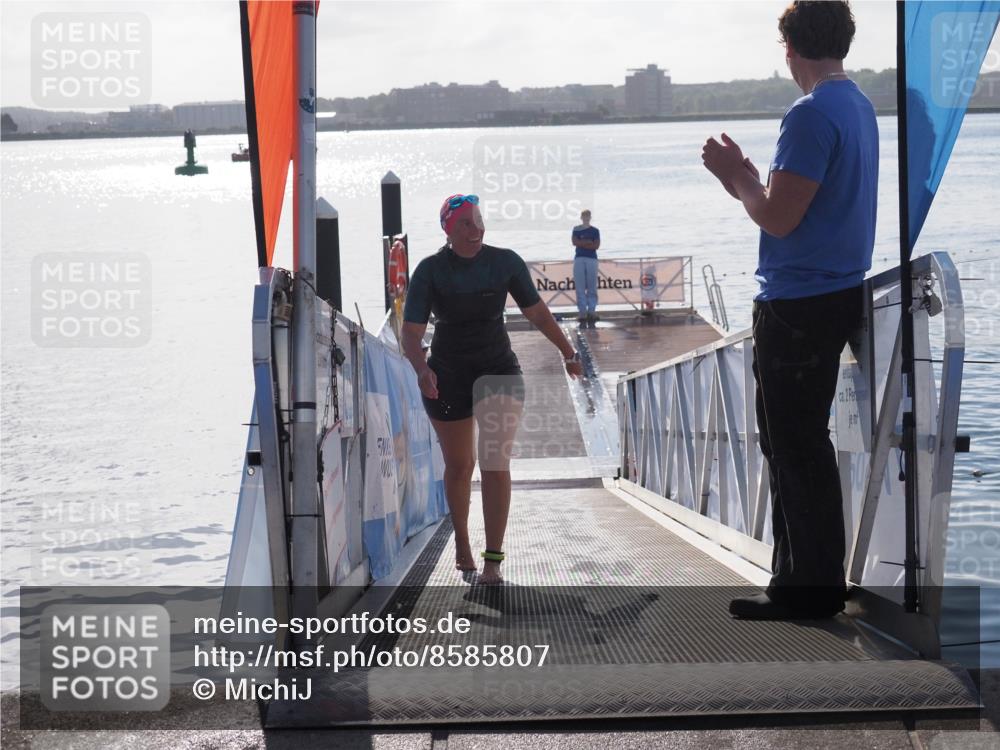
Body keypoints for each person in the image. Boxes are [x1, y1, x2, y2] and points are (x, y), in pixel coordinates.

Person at [701, 0, 877, 619]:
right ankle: (810, 579)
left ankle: (807, 590)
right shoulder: (857, 106)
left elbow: (778, 216)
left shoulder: (810, 114)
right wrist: (755, 179)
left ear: (789, 48)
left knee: (791, 443)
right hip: (835, 292)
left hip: (798, 302)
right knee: (803, 442)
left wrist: (738, 179)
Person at [401, 194, 584, 584]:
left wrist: (568, 351)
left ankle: (493, 561)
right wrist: (421, 369)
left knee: (495, 462)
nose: (476, 229)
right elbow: (411, 333)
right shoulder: (431, 271)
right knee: (460, 465)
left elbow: (537, 313)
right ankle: (463, 542)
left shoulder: (505, 262)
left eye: (479, 221)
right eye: (466, 223)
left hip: (498, 368)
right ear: (448, 229)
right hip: (446, 373)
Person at [571, 210, 601, 322]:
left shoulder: (595, 230)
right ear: (581, 217)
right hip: (579, 258)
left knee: (592, 286)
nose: (586, 218)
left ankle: (592, 311)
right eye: (584, 216)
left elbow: (596, 245)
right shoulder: (576, 229)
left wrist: (582, 242)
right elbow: (574, 242)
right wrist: (588, 242)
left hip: (592, 259)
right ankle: (582, 312)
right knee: (580, 287)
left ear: (590, 217)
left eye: (588, 216)